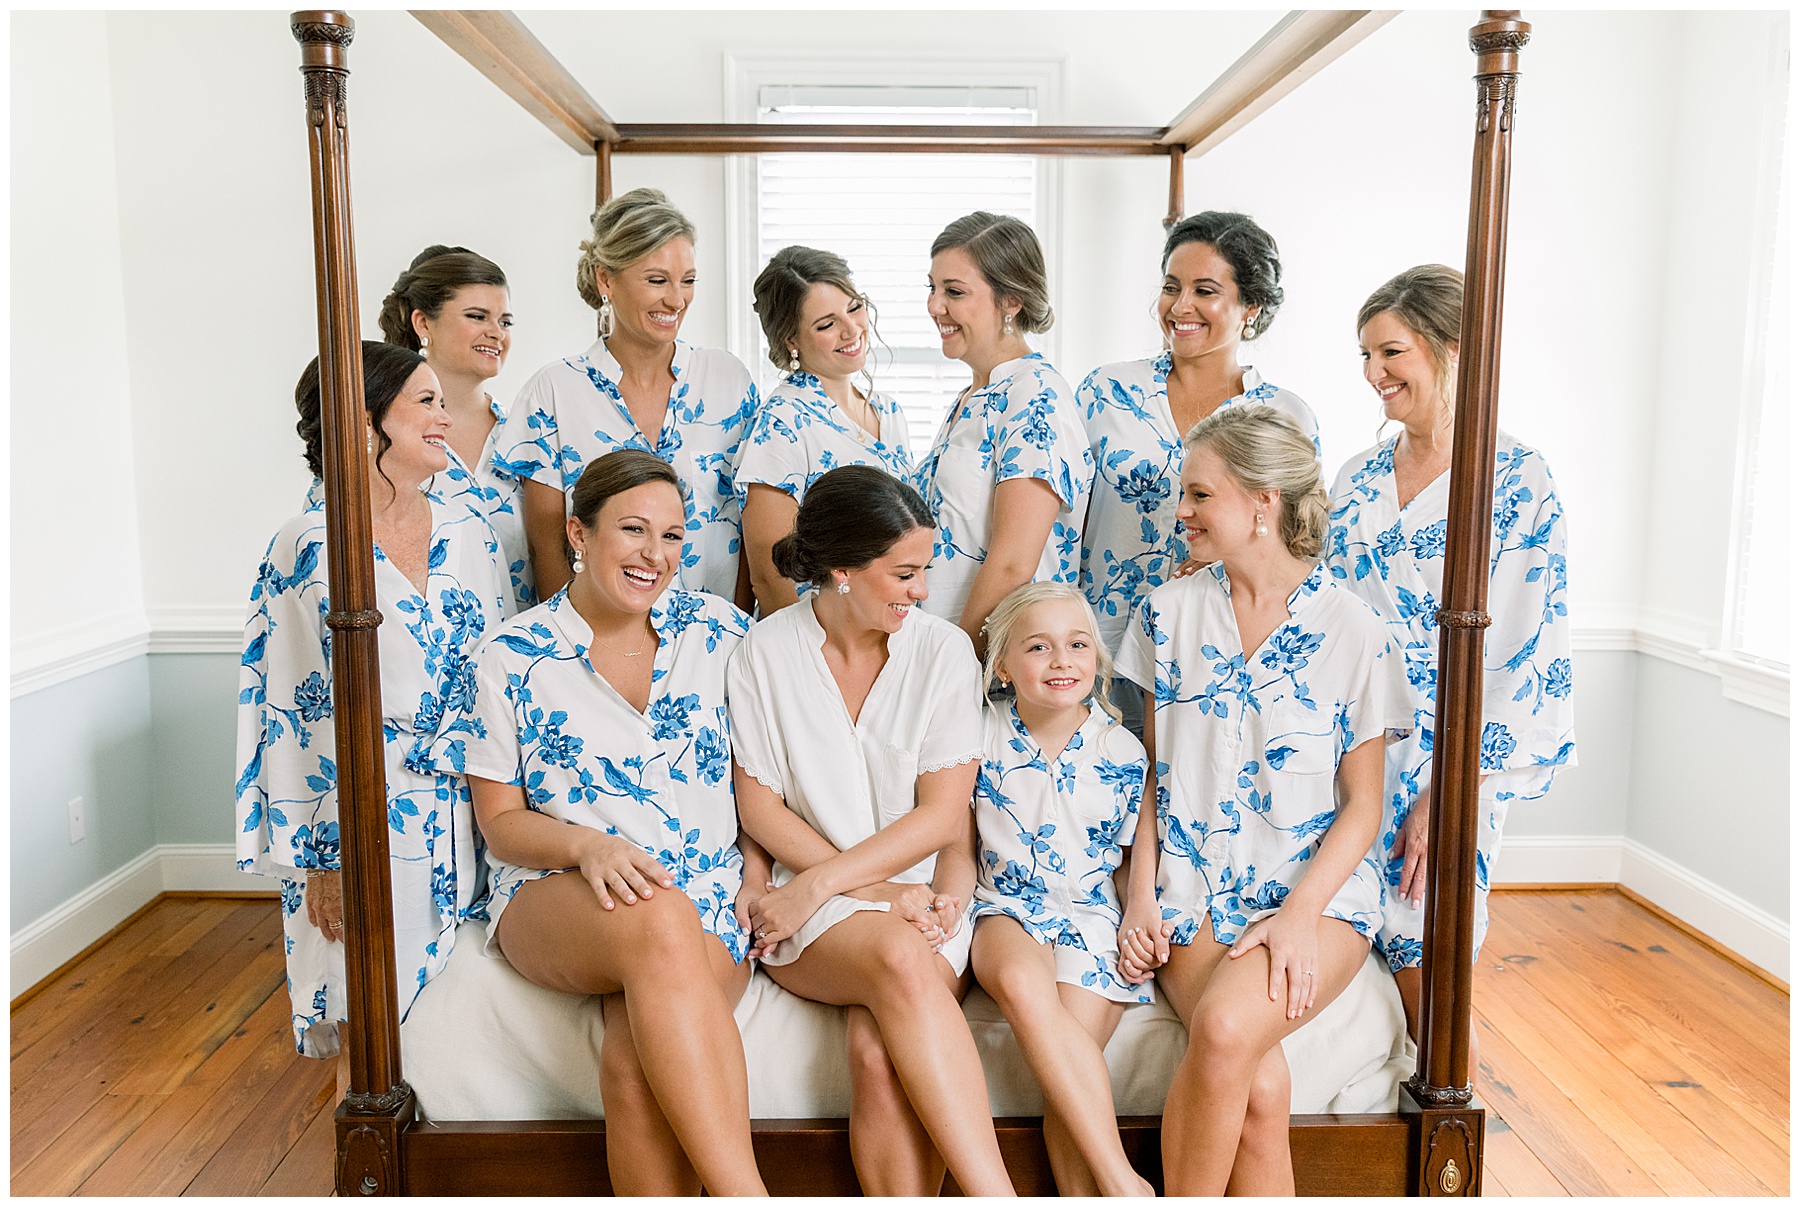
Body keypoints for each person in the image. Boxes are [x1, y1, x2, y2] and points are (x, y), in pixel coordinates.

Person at [441, 450, 764, 1196]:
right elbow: (501, 824)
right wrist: (589, 845)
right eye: (634, 529)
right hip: (555, 888)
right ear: (578, 533)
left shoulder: (721, 633)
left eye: (673, 536)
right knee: (660, 919)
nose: (656, 554)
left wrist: (756, 874)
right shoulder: (508, 656)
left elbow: (762, 782)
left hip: (708, 893)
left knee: (630, 1061)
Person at [1113, 404, 1412, 1194]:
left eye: (1199, 494)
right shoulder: (1167, 613)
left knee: (1222, 1027)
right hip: (1192, 889)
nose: (1181, 511)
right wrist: (1140, 894)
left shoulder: (1357, 631)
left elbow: (1364, 804)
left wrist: (1300, 914)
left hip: (1319, 893)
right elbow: (1153, 773)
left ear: (1262, 502)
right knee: (1263, 1086)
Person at [726, 465, 1015, 1196]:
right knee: (894, 952)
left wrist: (842, 885)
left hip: (922, 898)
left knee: (878, 1056)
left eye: (925, 571)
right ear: (842, 569)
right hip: (811, 911)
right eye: (905, 574)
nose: (923, 592)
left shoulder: (943, 651)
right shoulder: (763, 653)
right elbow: (760, 810)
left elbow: (942, 817)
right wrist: (856, 892)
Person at [235, 341, 509, 1058]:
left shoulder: (470, 532)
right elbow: (292, 716)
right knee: (367, 1015)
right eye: (426, 402)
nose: (444, 417)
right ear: (365, 421)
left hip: (472, 804)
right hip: (360, 813)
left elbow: (507, 671)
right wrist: (323, 861)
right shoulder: (308, 546)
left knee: (462, 1021)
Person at [1325, 264, 1576, 1039]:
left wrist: (1448, 795)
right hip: (1353, 743)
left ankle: (1445, 1105)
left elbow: (1525, 652)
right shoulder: (1357, 478)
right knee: (1339, 923)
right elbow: (1321, 606)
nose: (1374, 373)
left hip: (1457, 750)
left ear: (1453, 348)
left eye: (1391, 352)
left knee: (1425, 941)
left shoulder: (1517, 480)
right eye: (1365, 355)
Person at [1078, 212, 1318, 737]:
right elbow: (1063, 527)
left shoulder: (1284, 415)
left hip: (1219, 661)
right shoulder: (1105, 393)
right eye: (1171, 287)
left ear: (1250, 307)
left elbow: (1302, 547)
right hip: (1100, 652)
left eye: (1204, 291)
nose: (1180, 306)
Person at [967, 581, 1154, 1197]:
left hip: (1091, 917)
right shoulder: (977, 737)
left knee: (1066, 1089)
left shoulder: (1122, 751)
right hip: (1004, 908)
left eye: (1077, 645)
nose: (1061, 661)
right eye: (1038, 647)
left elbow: (1126, 858)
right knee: (1024, 985)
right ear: (1002, 665)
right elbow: (955, 838)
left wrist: (1139, 913)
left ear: (1096, 657)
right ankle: (1125, 1185)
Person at [492, 188, 758, 608]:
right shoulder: (552, 393)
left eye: (688, 281)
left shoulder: (729, 381)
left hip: (714, 636)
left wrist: (735, 630)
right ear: (606, 280)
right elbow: (546, 550)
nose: (676, 299)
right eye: (657, 280)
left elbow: (748, 530)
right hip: (592, 637)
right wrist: (575, 644)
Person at [915, 212, 1092, 654]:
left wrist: (957, 666)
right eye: (932, 288)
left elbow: (1013, 564)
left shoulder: (1035, 397)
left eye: (954, 291)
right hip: (937, 650)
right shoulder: (974, 395)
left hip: (994, 663)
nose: (935, 306)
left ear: (1011, 301)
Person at [739, 245, 915, 615]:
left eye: (854, 307)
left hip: (888, 628)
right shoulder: (783, 421)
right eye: (826, 324)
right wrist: (812, 648)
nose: (851, 330)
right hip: (820, 635)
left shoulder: (888, 412)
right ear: (791, 340)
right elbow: (770, 577)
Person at [379, 244, 534, 614]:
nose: (496, 333)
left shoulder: (528, 437)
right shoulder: (382, 435)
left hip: (523, 644)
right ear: (423, 323)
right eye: (477, 316)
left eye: (505, 322)